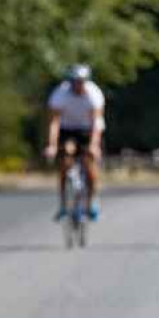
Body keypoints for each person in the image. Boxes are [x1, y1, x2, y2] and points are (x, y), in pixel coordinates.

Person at [44, 63, 105, 221]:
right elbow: (54, 123)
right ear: (70, 81)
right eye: (75, 81)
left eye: (81, 81)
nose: (78, 85)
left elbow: (96, 123)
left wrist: (94, 146)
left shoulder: (94, 94)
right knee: (65, 160)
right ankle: (64, 205)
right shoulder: (60, 94)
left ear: (87, 81)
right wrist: (51, 145)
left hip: (87, 129)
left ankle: (90, 204)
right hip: (67, 129)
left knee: (89, 166)